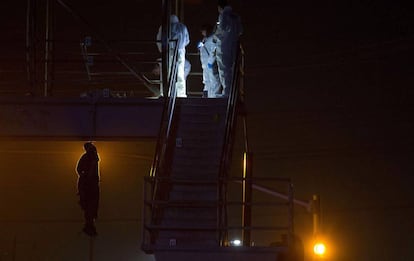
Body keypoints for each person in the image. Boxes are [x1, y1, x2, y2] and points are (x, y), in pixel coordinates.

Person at [214, 0, 243, 97]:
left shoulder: (223, 15)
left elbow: (222, 28)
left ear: (220, 7)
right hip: (233, 46)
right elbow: (240, 31)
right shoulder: (236, 17)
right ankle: (232, 92)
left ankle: (227, 93)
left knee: (224, 70)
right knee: (232, 70)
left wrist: (216, 37)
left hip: (224, 46)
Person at [156, 15, 190, 97]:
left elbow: (159, 40)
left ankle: (166, 93)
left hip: (168, 51)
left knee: (167, 73)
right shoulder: (183, 27)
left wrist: (162, 50)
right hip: (180, 52)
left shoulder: (164, 27)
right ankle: (181, 94)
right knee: (180, 73)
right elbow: (187, 40)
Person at [76, 142, 100, 237]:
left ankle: (90, 222)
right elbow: (79, 169)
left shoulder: (89, 158)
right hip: (89, 186)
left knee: (90, 205)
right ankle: (89, 223)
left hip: (90, 185)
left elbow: (78, 169)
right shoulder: (90, 158)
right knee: (90, 205)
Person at [198, 24, 221, 98]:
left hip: (210, 64)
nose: (202, 33)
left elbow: (213, 52)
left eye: (203, 31)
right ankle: (207, 97)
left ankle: (213, 98)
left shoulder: (212, 40)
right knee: (207, 81)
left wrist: (210, 62)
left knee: (214, 82)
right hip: (206, 65)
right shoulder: (206, 40)